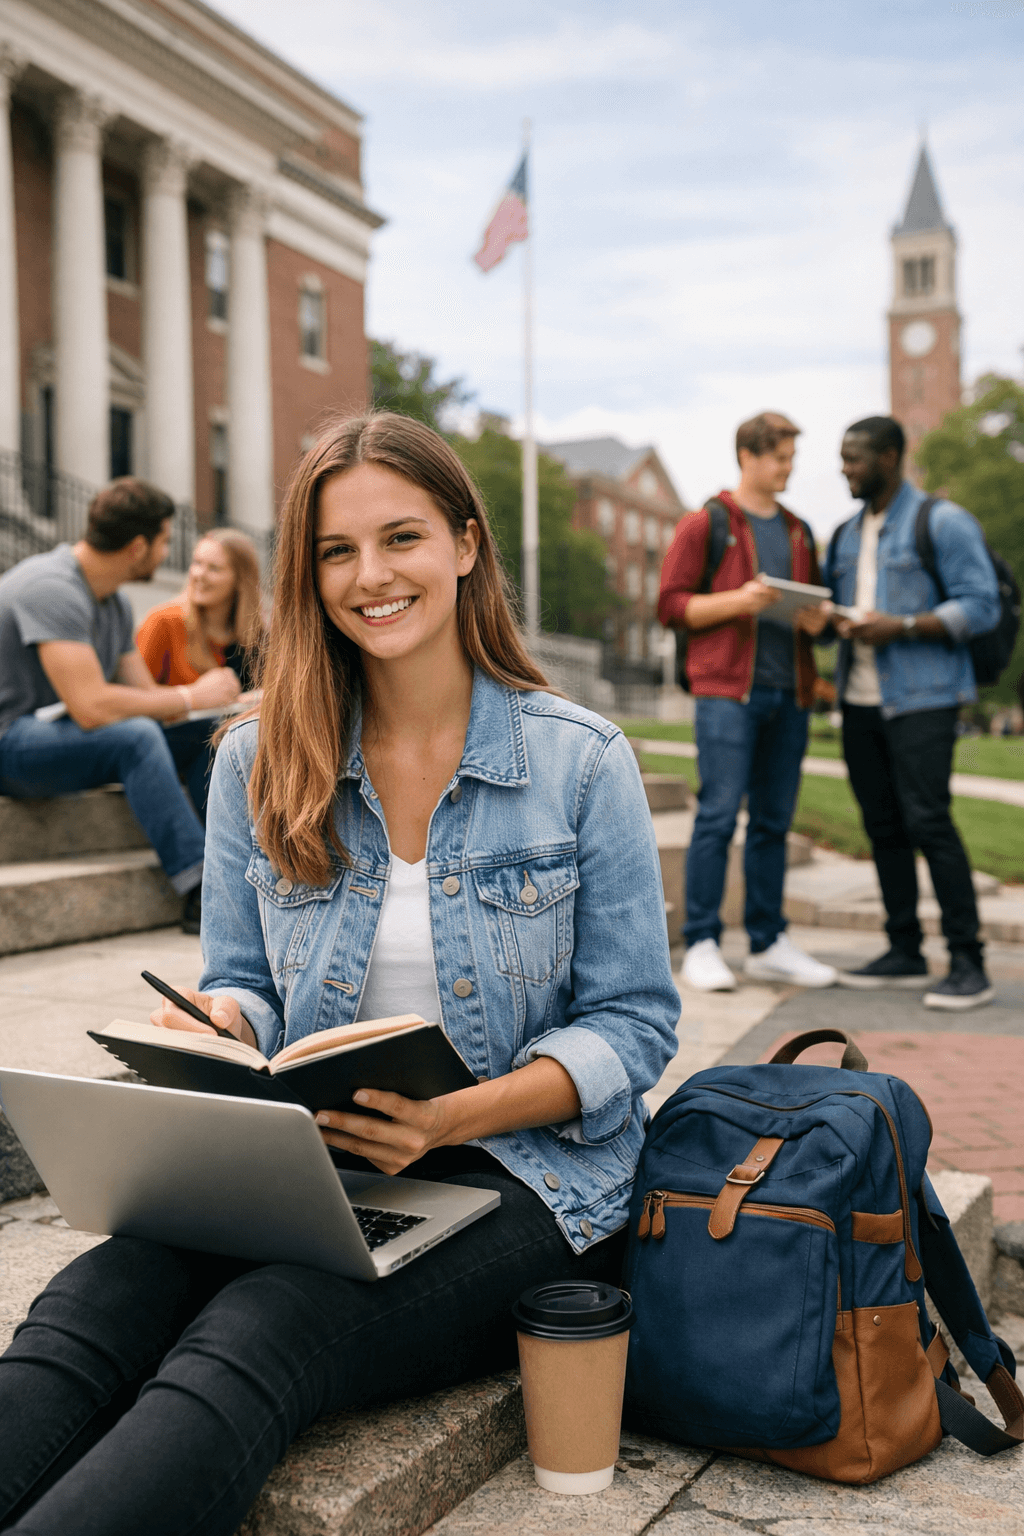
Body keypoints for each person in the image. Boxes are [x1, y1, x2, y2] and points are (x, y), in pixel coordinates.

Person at [0, 413, 680, 1536]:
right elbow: (243, 977)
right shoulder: (257, 757)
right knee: (88, 1307)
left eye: (400, 537)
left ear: (466, 545)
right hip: (307, 1154)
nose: (370, 576)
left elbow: (632, 1029)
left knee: (259, 1332)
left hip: (527, 1178)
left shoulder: (579, 762)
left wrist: (451, 1115)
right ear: (307, 575)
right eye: (335, 551)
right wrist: (226, 1021)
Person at [0, 479, 241, 935]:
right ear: (138, 546)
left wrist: (223, 704)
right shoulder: (51, 587)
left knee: (211, 733)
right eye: (165, 542)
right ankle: (199, 892)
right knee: (135, 737)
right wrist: (192, 695)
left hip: (57, 737)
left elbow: (151, 699)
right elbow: (90, 707)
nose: (167, 552)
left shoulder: (113, 602)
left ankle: (233, 872)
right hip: (10, 742)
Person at [824, 416, 1001, 1009]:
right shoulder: (845, 535)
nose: (845, 468)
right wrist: (819, 621)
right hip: (860, 701)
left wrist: (898, 625)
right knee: (883, 825)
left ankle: (968, 961)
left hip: (923, 698)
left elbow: (980, 606)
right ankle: (904, 949)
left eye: (855, 458)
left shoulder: (942, 522)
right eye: (843, 458)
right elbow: (836, 620)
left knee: (930, 821)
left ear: (892, 456)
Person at [659, 411, 836, 992]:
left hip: (790, 694)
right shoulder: (705, 523)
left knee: (773, 822)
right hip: (725, 694)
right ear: (749, 456)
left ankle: (768, 942)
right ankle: (704, 941)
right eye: (780, 457)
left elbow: (820, 623)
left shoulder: (799, 531)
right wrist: (741, 600)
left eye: (791, 458)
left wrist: (816, 621)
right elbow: (671, 606)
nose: (788, 468)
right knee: (717, 815)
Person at [136, 529, 265, 819]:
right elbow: (135, 699)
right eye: (196, 563)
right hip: (175, 742)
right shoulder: (164, 622)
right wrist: (196, 699)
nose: (199, 575)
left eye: (214, 568)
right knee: (213, 734)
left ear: (239, 579)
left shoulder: (258, 635)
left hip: (241, 748)